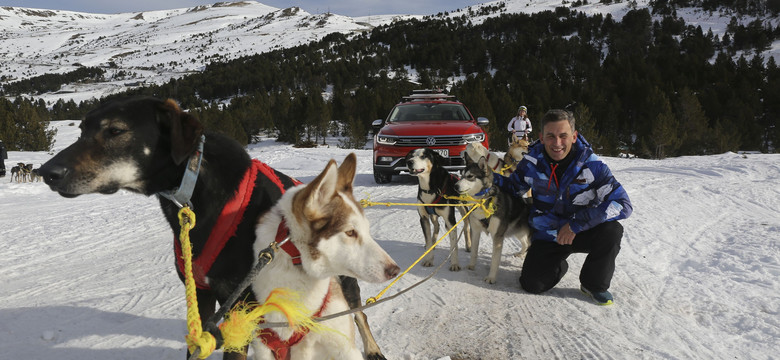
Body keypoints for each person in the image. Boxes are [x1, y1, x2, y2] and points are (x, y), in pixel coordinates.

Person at [493, 109, 632, 305]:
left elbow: (623, 204)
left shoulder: (592, 167)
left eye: (563, 136)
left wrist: (576, 225)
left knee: (612, 230)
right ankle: (558, 264)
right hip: (548, 235)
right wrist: (484, 178)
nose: (557, 143)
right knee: (532, 284)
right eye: (550, 136)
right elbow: (513, 187)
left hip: (582, 230)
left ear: (574, 137)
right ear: (541, 137)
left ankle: (593, 284)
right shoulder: (532, 163)